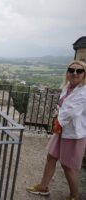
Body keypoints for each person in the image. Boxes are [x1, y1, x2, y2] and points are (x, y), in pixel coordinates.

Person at [26, 60, 86, 200]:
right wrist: (58, 117)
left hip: (74, 134)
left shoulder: (84, 92)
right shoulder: (67, 87)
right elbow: (62, 106)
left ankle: (74, 195)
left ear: (84, 74)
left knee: (67, 166)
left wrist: (57, 120)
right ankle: (43, 187)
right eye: (71, 70)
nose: (74, 73)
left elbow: (72, 111)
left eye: (79, 71)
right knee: (51, 157)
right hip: (62, 130)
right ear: (67, 73)